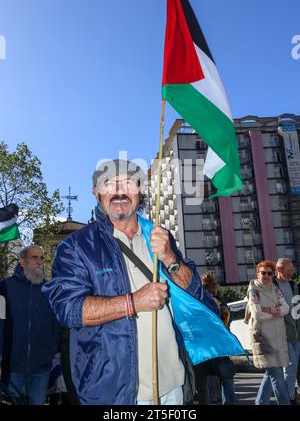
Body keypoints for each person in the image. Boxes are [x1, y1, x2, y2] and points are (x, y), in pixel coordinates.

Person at [43, 159, 205, 405]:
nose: (119, 191)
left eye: (128, 182)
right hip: (114, 392)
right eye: (109, 183)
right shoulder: (75, 247)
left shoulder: (160, 236)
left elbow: (195, 293)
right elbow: (68, 309)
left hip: (174, 385)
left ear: (140, 190)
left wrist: (171, 258)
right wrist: (134, 302)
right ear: (96, 193)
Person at [0, 245, 59, 405]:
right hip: (12, 368)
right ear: (22, 261)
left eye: (41, 258)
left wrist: (51, 351)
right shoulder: (4, 287)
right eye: (34, 257)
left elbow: (56, 326)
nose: (39, 262)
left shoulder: (50, 290)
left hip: (42, 368)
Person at [246, 260, 290, 405]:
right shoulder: (253, 290)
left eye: (269, 273)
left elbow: (286, 308)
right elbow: (257, 313)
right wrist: (275, 311)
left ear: (273, 274)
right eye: (263, 272)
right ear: (257, 273)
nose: (266, 276)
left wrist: (270, 310)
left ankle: (260, 402)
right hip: (263, 337)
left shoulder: (275, 289)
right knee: (276, 374)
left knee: (271, 372)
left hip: (277, 336)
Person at [200, 274, 235, 405]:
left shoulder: (221, 302)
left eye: (212, 289)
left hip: (221, 343)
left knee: (226, 376)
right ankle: (215, 400)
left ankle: (228, 402)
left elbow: (228, 319)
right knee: (212, 378)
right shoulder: (200, 302)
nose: (210, 292)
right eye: (206, 289)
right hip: (209, 345)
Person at [273, 258, 300, 403]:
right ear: (279, 270)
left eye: (291, 271)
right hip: (281, 333)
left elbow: (297, 308)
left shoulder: (292, 284)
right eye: (288, 271)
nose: (291, 273)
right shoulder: (271, 284)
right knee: (290, 365)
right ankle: (288, 397)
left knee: (287, 369)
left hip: (296, 332)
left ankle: (265, 400)